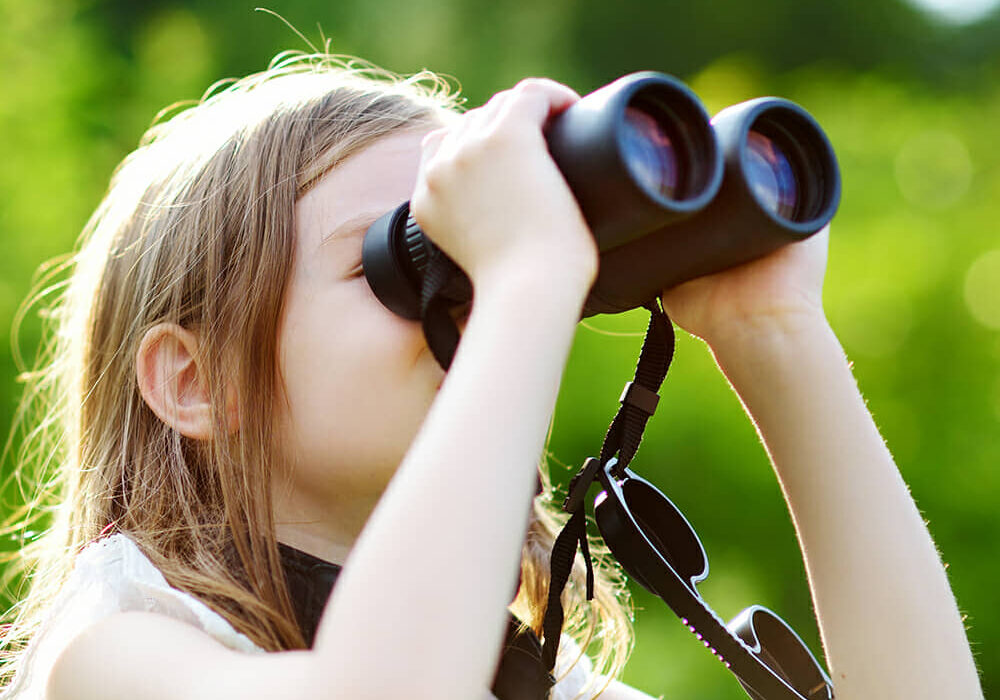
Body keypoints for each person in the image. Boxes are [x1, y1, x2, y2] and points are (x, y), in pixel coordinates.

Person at [0, 52, 983, 700]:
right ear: (194, 379)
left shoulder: (528, 676)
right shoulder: (114, 651)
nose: (476, 301)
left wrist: (777, 338)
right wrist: (525, 274)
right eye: (409, 260)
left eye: (480, 258)